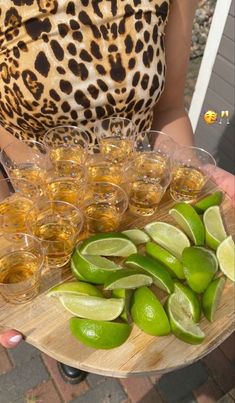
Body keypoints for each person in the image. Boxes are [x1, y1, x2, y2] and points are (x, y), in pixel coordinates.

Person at [0, 0, 234, 383]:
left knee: (126, 294)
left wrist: (193, 174)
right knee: (63, 313)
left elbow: (169, 109)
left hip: (134, 200)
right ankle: (78, 332)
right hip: (46, 207)